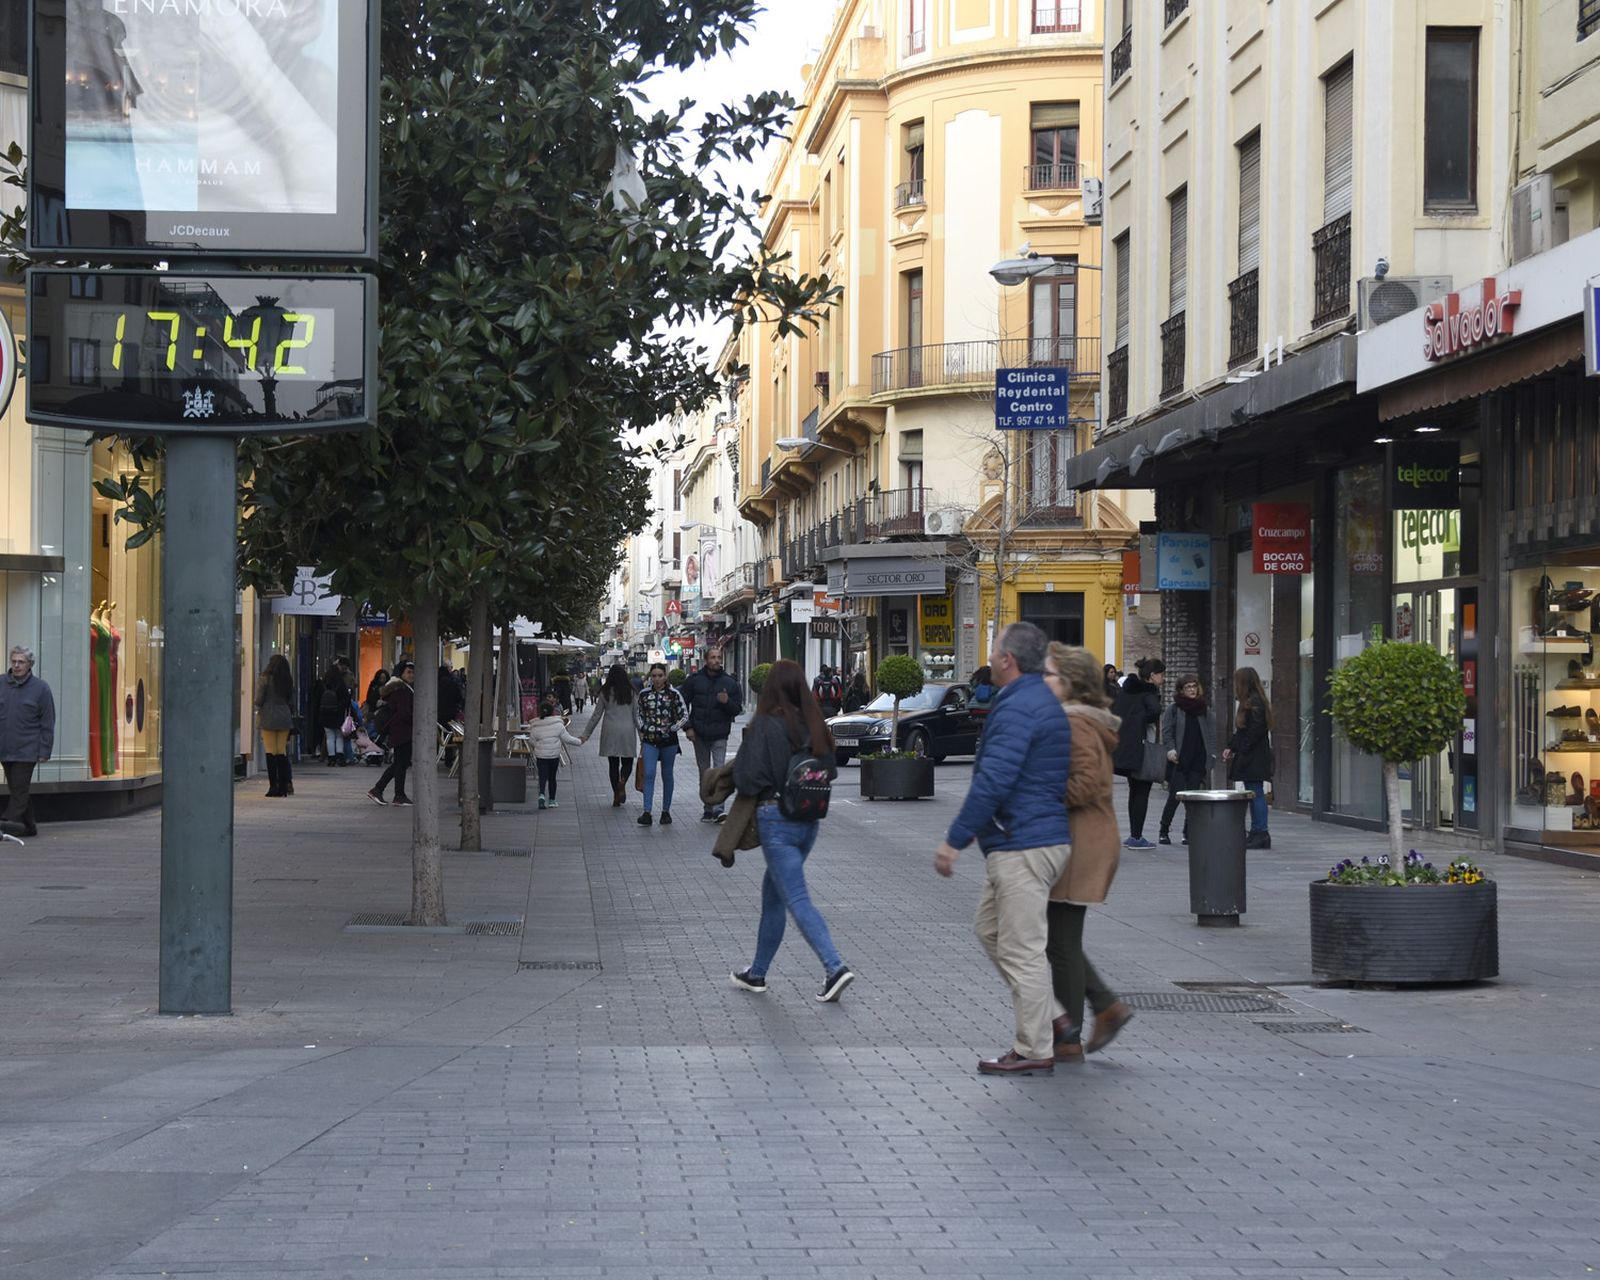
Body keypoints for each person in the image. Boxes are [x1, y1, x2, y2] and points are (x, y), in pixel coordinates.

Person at [933, 621, 1073, 1076]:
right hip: (1027, 839)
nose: (989, 658)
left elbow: (994, 779)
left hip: (1024, 843)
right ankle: (1051, 1014)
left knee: (1021, 949)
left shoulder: (1017, 709)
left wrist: (954, 842)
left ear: (1008, 660)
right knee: (991, 931)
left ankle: (1034, 1048)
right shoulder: (1035, 701)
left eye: (994, 651)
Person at [729, 659, 853, 1003]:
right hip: (808, 821)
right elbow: (831, 771)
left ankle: (835, 967)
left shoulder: (766, 725)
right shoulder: (815, 724)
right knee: (774, 897)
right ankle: (756, 973)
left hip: (776, 820)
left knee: (796, 898)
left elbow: (747, 778)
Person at [1041, 643, 1134, 1063]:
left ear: (1071, 684)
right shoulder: (1076, 720)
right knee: (1058, 938)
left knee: (1060, 940)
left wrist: (1037, 792)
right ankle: (1102, 1009)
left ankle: (1071, 1035)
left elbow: (1087, 784)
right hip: (1080, 838)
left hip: (1081, 841)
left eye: (1050, 676)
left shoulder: (1075, 723)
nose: (1042, 682)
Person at [681, 646, 744, 823]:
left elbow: (737, 709)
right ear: (706, 660)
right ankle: (707, 808)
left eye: (719, 657)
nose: (717, 660)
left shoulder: (730, 683)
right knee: (704, 772)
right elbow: (681, 704)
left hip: (720, 734)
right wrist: (688, 727)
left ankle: (718, 809)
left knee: (718, 771)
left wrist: (726, 702)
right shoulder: (694, 681)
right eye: (713, 657)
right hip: (699, 734)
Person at [0, 645, 56, 837]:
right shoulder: (1, 683)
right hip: (5, 747)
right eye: (14, 661)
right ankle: (29, 826)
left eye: (21, 662)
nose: (16, 665)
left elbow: (48, 721)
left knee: (20, 785)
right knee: (17, 787)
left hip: (27, 749)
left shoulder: (41, 688)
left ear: (29, 665)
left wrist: (44, 750)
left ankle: (7, 822)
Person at [1111, 657, 1165, 849]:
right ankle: (1136, 836)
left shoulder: (1126, 692)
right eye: (1161, 674)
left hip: (1127, 748)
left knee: (1134, 791)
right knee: (1142, 792)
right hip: (1142, 749)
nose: (1163, 678)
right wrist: (1141, 721)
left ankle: (1133, 835)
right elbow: (1156, 711)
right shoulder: (1148, 692)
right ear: (1152, 676)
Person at [1158, 674, 1215, 845]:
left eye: (1194, 686)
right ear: (1181, 690)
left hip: (1198, 759)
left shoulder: (1204, 709)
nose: (1192, 690)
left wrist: (1211, 755)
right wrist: (1170, 750)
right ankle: (1164, 830)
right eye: (1188, 687)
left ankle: (1188, 832)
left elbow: (1211, 734)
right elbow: (1167, 732)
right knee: (1174, 797)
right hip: (1180, 760)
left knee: (1193, 799)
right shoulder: (1174, 709)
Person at [633, 662, 689, 826]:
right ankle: (647, 812)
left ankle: (666, 811)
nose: (657, 679)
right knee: (649, 774)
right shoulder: (644, 694)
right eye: (654, 676)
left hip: (669, 741)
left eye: (660, 675)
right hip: (650, 740)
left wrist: (674, 728)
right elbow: (638, 714)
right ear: (650, 677)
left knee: (667, 774)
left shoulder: (674, 694)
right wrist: (643, 727)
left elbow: (684, 714)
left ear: (665, 676)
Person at [1224, 666, 1274, 849]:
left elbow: (1253, 732)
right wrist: (1232, 746)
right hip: (1252, 755)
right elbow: (1243, 731)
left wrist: (1241, 749)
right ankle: (1257, 831)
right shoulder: (1253, 701)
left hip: (1253, 757)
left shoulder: (1254, 703)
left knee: (1256, 793)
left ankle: (1260, 831)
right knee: (1254, 792)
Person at [582, 664, 640, 807]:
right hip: (627, 730)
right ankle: (623, 781)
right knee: (627, 762)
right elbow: (637, 715)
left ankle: (616, 793)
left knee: (613, 764)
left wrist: (586, 734)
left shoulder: (605, 691)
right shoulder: (631, 692)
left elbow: (596, 715)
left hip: (610, 730)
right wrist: (643, 735)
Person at [368, 660, 417, 806]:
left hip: (400, 731)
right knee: (400, 764)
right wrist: (417, 719)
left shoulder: (401, 688)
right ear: (401, 673)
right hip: (402, 731)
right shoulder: (402, 690)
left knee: (399, 764)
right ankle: (385, 791)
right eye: (408, 672)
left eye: (413, 672)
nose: (411, 675)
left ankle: (392, 793)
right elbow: (404, 713)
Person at [528, 697, 583, 809]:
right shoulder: (558, 725)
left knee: (542, 777)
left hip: (541, 756)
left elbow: (532, 741)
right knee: (552, 777)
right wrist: (580, 741)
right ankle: (552, 800)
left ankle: (542, 795)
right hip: (553, 756)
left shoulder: (535, 726)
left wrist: (538, 747)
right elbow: (567, 739)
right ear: (553, 712)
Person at [255, 653, 296, 799]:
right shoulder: (287, 680)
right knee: (281, 752)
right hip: (284, 717)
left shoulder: (264, 679)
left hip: (268, 717)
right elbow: (291, 703)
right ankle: (284, 786)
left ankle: (273, 786)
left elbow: (258, 700)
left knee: (270, 752)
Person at [318, 663, 350, 765]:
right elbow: (346, 698)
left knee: (329, 736)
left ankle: (331, 758)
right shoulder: (340, 683)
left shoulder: (324, 682)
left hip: (325, 713)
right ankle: (340, 756)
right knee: (339, 735)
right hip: (338, 713)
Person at [437, 663, 465, 769]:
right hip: (450, 714)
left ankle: (433, 756)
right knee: (450, 737)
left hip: (437, 714)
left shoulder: (435, 684)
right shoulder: (452, 683)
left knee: (436, 737)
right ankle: (449, 760)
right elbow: (459, 697)